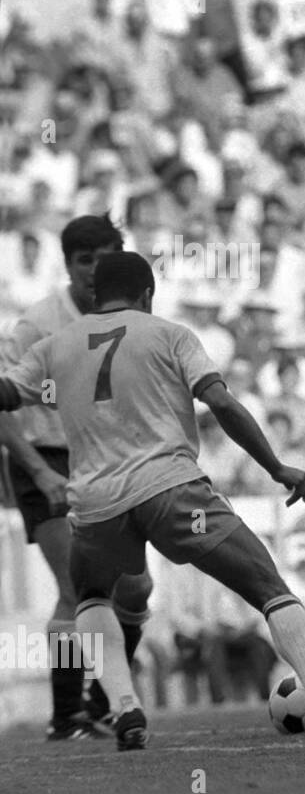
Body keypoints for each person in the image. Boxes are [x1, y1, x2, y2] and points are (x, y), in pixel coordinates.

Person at [0, 252, 305, 750]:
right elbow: (221, 402)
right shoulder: (169, 334)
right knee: (267, 586)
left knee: (92, 597)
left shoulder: (56, 347)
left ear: (95, 296)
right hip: (173, 492)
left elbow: (8, 394)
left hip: (96, 505)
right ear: (147, 295)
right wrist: (275, 466)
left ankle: (124, 708)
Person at [0, 215, 141, 741]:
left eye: (106, 257)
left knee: (135, 587)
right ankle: (66, 717)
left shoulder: (128, 317)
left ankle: (103, 702)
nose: (95, 271)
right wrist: (36, 470)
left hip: (103, 458)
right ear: (68, 266)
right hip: (45, 459)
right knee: (75, 585)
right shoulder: (37, 323)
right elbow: (3, 403)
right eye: (86, 260)